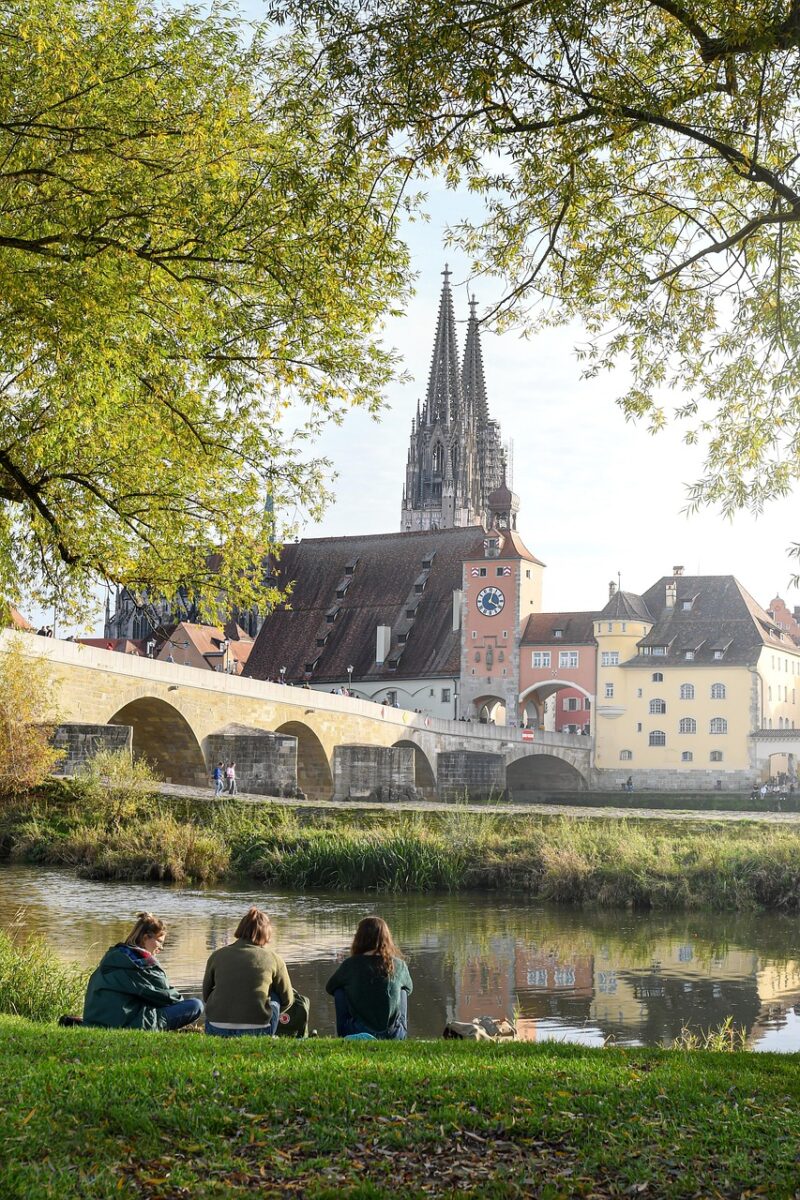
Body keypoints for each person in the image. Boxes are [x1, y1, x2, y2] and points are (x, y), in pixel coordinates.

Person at [83, 912, 203, 1031]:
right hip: (129, 1023)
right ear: (145, 938)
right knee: (196, 1005)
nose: (161, 947)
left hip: (95, 1020)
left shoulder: (112, 957)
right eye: (160, 941)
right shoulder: (142, 964)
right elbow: (170, 998)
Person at [203, 907, 295, 1037]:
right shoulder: (274, 959)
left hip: (216, 1027)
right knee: (275, 994)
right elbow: (288, 999)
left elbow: (206, 995)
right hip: (257, 1029)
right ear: (266, 934)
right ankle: (268, 1031)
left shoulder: (217, 955)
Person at [326, 916, 412, 1040]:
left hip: (358, 1031)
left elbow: (330, 987)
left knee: (340, 991)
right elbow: (409, 989)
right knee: (402, 990)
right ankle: (400, 1034)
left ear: (359, 938)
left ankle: (345, 1034)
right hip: (393, 1033)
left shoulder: (350, 964)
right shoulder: (399, 964)